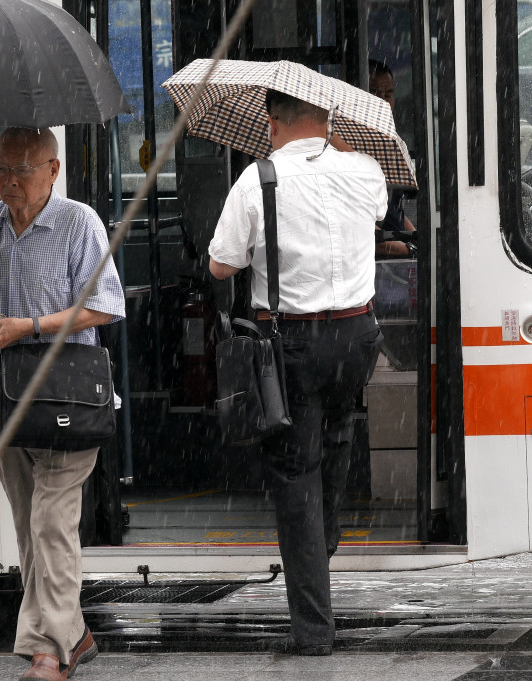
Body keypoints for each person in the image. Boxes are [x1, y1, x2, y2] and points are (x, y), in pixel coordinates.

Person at [0, 127, 125, 681]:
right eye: (0, 170)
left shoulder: (77, 222)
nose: (9, 182)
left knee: (49, 524)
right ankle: (73, 634)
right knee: (30, 529)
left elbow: (104, 309)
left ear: (53, 170)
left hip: (66, 400)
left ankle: (48, 651)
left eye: (23, 169)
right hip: (4, 404)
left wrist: (26, 328)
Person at [207, 89, 386, 656]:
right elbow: (380, 211)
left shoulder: (259, 179)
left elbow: (219, 264)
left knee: (294, 479)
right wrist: (338, 143)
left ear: (272, 123)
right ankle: (321, 540)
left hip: (294, 344)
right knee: (335, 444)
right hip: (358, 339)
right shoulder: (364, 171)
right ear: (329, 119)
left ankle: (312, 632)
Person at [369, 59, 416, 258]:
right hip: (379, 261)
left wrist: (415, 237)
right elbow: (363, 229)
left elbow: (395, 213)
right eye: (375, 93)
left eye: (388, 94)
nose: (383, 101)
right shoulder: (351, 147)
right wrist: (408, 249)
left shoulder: (393, 142)